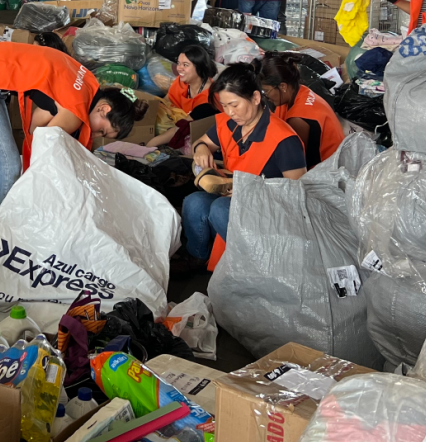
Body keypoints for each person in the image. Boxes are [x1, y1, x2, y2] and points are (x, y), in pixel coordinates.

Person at [0, 40, 150, 216]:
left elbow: (40, 117)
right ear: (104, 108)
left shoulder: (87, 83)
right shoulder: (75, 112)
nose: (95, 135)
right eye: (102, 131)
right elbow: (42, 150)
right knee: (5, 163)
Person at [178, 62, 307, 274]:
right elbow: (202, 143)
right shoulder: (228, 124)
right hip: (232, 196)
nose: (229, 112)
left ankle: (251, 268)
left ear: (256, 98)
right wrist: (201, 149)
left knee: (220, 208)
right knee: (194, 202)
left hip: (268, 212)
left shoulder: (284, 139)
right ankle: (197, 256)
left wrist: (251, 192)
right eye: (224, 105)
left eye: (234, 105)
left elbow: (296, 195)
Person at [258, 53, 342, 168]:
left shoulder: (298, 119)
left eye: (266, 91)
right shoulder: (301, 91)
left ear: (283, 86)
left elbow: (294, 161)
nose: (266, 96)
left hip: (323, 172)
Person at [146, 44, 217, 149]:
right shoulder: (180, 82)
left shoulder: (211, 97)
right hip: (172, 127)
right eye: (178, 63)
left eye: (185, 65)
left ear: (199, 67)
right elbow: (165, 101)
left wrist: (152, 143)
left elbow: (182, 127)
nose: (179, 68)